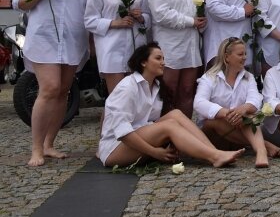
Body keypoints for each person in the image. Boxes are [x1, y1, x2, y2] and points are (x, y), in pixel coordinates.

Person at [12, 0, 94, 166]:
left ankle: (49, 144)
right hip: (44, 38)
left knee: (63, 92)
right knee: (49, 88)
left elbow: (91, 8)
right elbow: (17, 1)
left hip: (73, 39)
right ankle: (36, 148)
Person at [98, 43, 244, 168]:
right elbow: (123, 133)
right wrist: (154, 152)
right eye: (157, 58)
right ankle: (215, 156)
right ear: (143, 62)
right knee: (169, 125)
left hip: (139, 135)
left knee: (176, 115)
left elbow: (149, 123)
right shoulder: (127, 87)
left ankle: (213, 152)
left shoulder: (155, 86)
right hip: (115, 148)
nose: (163, 62)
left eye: (163, 58)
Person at [194, 38, 279, 167]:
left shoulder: (248, 77)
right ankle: (265, 145)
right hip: (212, 137)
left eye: (245, 54)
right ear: (227, 57)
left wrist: (243, 109)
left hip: (237, 133)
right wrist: (225, 113)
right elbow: (199, 103)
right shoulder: (210, 77)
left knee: (249, 115)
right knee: (214, 121)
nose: (244, 57)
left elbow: (256, 99)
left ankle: (261, 152)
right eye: (240, 54)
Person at [148, 0, 204, 118]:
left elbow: (196, 12)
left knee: (187, 91)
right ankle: (165, 135)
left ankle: (185, 134)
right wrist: (191, 21)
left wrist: (201, 21)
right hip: (170, 45)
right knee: (168, 91)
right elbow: (160, 14)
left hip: (190, 45)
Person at [85, 0, 151, 94]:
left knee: (135, 99)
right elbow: (89, 21)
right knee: (117, 100)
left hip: (136, 49)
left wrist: (140, 17)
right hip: (112, 49)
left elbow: (148, 17)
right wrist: (115, 23)